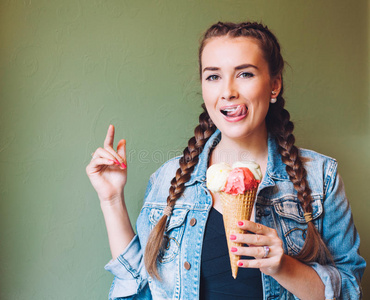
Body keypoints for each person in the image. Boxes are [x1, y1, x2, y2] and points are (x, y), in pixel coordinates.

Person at [86, 22, 365, 299]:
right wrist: (110, 200)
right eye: (213, 76)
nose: (228, 91)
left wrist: (283, 267)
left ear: (274, 85)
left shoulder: (321, 177)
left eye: (245, 74)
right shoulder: (167, 177)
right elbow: (142, 286)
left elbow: (349, 290)